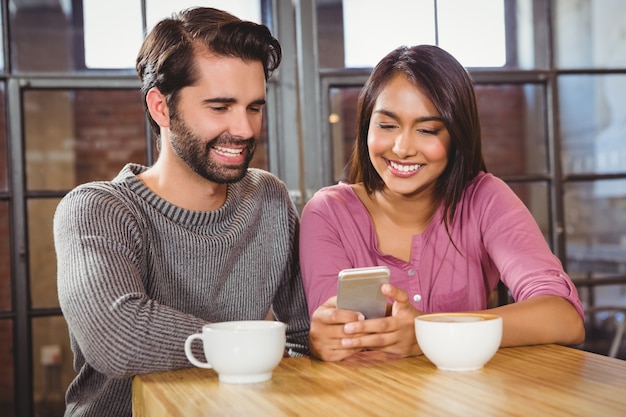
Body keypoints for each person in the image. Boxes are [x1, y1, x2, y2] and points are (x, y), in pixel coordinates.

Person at [53, 7, 309, 416]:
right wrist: (254, 347)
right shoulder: (98, 209)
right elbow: (116, 339)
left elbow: (306, 338)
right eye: (220, 107)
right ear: (161, 108)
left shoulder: (270, 198)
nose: (244, 129)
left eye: (254, 107)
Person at [299, 44, 585, 362]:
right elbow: (340, 346)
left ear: (456, 136)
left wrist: (427, 330)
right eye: (387, 125)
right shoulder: (328, 214)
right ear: (366, 125)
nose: (402, 147)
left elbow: (564, 318)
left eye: (427, 130)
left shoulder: (484, 199)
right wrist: (323, 341)